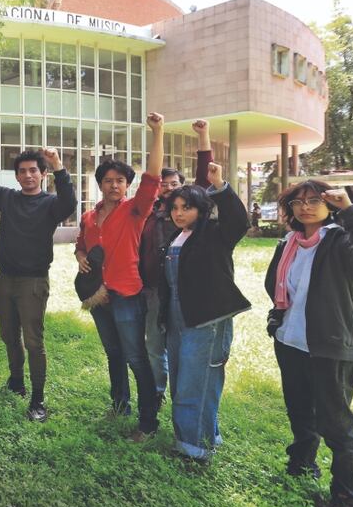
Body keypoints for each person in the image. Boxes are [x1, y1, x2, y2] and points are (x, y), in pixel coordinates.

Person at [266, 180, 353, 507]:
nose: (305, 206)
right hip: (291, 341)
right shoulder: (288, 242)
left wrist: (352, 212)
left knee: (336, 423)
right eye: (298, 201)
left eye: (314, 200)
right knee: (300, 411)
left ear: (330, 204)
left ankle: (349, 501)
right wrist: (277, 319)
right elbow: (274, 285)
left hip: (331, 345)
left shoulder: (340, 240)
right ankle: (302, 464)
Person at [74, 112, 165, 441]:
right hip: (98, 297)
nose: (115, 185)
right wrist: (82, 257)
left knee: (135, 357)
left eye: (120, 181)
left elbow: (153, 177)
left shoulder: (135, 210)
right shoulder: (89, 215)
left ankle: (148, 422)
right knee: (113, 354)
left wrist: (158, 132)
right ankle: (119, 404)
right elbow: (80, 245)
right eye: (109, 180)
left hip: (127, 295)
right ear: (100, 184)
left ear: (127, 186)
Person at [159, 162, 250, 463]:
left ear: (202, 209)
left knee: (196, 381)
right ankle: (205, 434)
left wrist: (220, 185)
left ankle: (193, 448)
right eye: (175, 208)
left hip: (207, 320)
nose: (179, 213)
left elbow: (238, 221)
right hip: (177, 319)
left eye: (186, 207)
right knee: (185, 377)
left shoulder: (214, 234)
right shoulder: (176, 237)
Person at [0, 146, 76, 422]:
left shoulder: (50, 204)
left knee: (34, 342)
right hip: (5, 279)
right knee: (9, 336)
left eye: (33, 170)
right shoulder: (8, 198)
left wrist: (58, 164)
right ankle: (16, 381)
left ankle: (38, 399)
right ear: (17, 176)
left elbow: (69, 202)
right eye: (22, 171)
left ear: (43, 174)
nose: (28, 175)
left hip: (33, 282)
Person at [139, 119, 213, 406]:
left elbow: (205, 179)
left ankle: (185, 397)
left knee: (184, 346)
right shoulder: (149, 213)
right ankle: (157, 392)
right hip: (154, 290)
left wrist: (203, 136)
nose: (168, 189)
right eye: (164, 185)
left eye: (174, 185)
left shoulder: (191, 216)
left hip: (187, 292)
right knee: (155, 345)